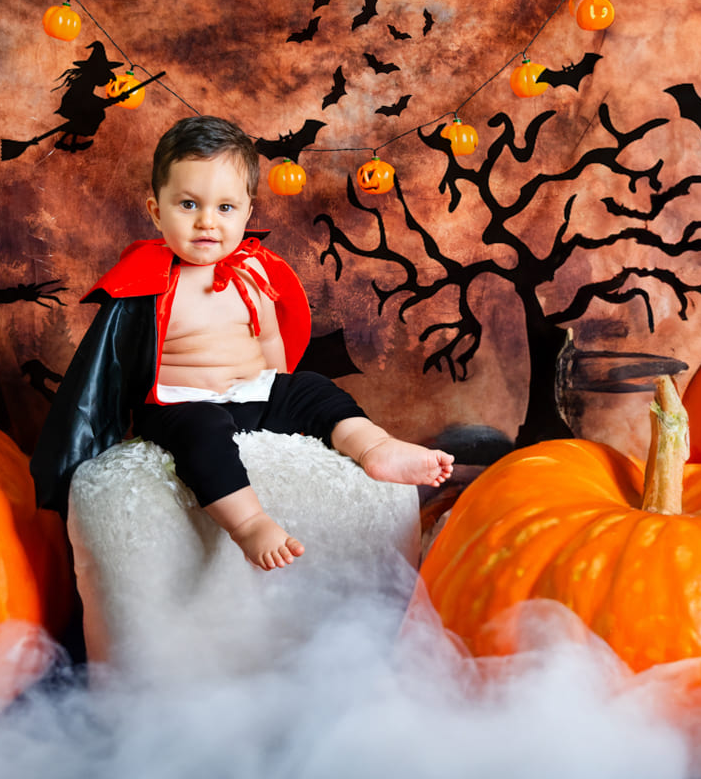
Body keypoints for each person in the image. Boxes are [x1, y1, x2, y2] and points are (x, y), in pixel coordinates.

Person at [30, 115, 454, 570]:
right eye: (188, 205)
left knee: (313, 388)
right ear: (157, 210)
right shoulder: (146, 283)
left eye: (225, 208)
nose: (207, 223)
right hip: (181, 405)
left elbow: (269, 335)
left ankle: (375, 448)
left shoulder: (254, 270)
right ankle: (249, 522)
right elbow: (112, 365)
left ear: (248, 211)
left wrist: (282, 393)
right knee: (202, 436)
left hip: (252, 392)